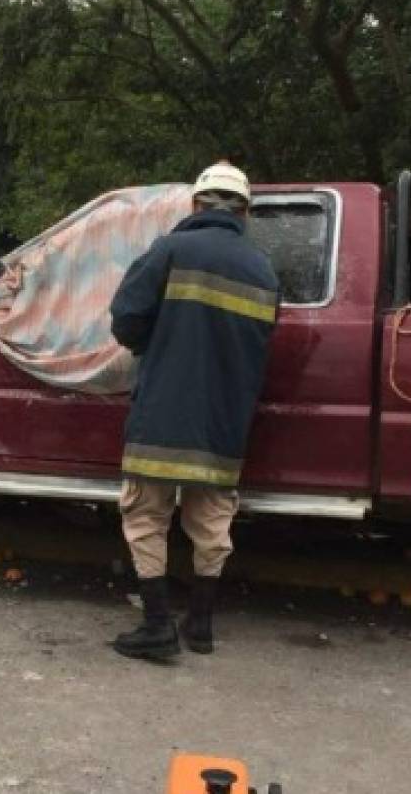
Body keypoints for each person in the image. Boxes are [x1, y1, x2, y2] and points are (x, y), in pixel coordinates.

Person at [108, 161, 279, 659]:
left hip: (163, 413)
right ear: (244, 211)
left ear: (195, 205)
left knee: (145, 515)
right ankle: (200, 625)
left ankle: (157, 626)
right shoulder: (263, 270)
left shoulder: (170, 250)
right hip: (224, 422)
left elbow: (126, 320)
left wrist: (152, 343)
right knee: (212, 520)